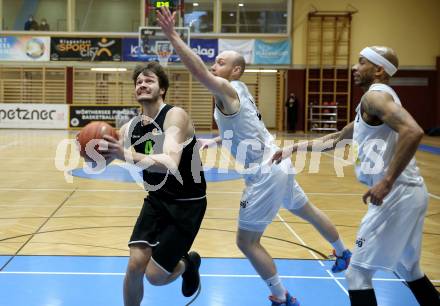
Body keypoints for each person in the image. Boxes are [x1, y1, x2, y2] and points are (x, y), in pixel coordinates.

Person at [157, 7, 351, 306]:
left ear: (235, 70)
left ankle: (283, 297)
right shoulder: (240, 90)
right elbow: (250, 127)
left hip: (264, 173)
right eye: (215, 61)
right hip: (277, 160)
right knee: (307, 211)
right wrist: (218, 140)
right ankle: (343, 251)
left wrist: (172, 36)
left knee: (246, 241)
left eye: (220, 62)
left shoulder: (227, 90)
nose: (213, 65)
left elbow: (197, 71)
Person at [272, 46, 440, 306]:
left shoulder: (375, 98)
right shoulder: (372, 102)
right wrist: (293, 148)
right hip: (410, 194)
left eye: (361, 62)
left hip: (396, 196)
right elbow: (337, 139)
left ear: (379, 69)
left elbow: (413, 131)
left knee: (357, 274)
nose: (354, 67)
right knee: (409, 270)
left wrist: (386, 181)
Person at [99, 62, 207, 306]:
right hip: (157, 200)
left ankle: (188, 263)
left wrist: (124, 155)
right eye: (138, 82)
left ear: (162, 89)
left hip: (186, 204)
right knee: (135, 265)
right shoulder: (130, 127)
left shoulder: (174, 115)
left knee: (155, 277)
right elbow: (104, 160)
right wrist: (89, 150)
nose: (142, 84)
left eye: (149, 80)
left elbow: (169, 162)